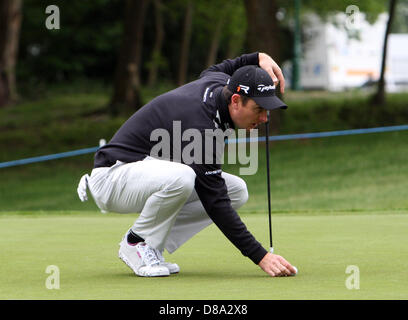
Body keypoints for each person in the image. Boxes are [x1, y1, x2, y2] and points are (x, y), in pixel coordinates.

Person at [77, 52, 297, 277]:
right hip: (112, 178)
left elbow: (232, 65)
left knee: (236, 190)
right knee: (183, 178)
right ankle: (136, 242)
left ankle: (152, 244)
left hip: (142, 174)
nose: (264, 119)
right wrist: (260, 255)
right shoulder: (201, 128)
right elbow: (215, 203)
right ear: (235, 101)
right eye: (259, 109)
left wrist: (259, 57)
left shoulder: (219, 82)